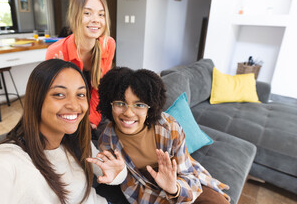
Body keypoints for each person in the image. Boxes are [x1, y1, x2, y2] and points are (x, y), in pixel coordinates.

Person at [0, 59, 126, 204]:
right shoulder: (12, 157)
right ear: (36, 100)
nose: (74, 105)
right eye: (59, 94)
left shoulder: (76, 139)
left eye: (80, 94)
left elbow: (111, 174)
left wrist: (118, 173)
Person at [97, 67, 231, 204]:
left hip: (180, 180)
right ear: (109, 104)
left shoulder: (170, 128)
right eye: (120, 103)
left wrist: (174, 188)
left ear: (150, 107)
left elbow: (188, 175)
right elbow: (126, 182)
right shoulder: (107, 140)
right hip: (147, 191)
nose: (128, 113)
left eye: (139, 105)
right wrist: (117, 176)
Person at [45, 0, 116, 136]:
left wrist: (91, 120)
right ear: (75, 16)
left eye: (101, 14)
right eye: (87, 13)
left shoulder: (108, 45)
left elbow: (99, 90)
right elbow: (53, 100)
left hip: (94, 109)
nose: (96, 19)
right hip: (67, 112)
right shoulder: (56, 52)